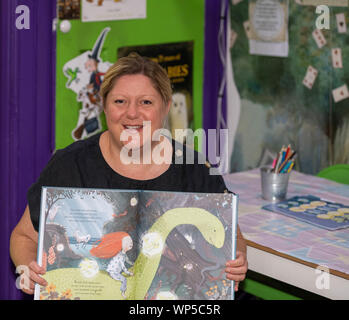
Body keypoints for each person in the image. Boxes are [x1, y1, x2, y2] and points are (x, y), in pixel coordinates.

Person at [10, 52, 248, 296]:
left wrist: (237, 260)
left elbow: (234, 239)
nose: (132, 113)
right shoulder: (71, 164)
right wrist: (28, 267)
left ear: (165, 107)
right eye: (120, 101)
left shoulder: (197, 169)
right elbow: (23, 236)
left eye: (146, 102)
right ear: (104, 106)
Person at [90, 232, 134, 298]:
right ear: (123, 244)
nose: (131, 244)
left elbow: (127, 260)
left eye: (131, 242)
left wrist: (133, 263)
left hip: (113, 271)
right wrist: (129, 273)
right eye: (128, 243)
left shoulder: (123, 254)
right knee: (124, 279)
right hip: (113, 272)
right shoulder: (120, 256)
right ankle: (123, 293)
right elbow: (123, 267)